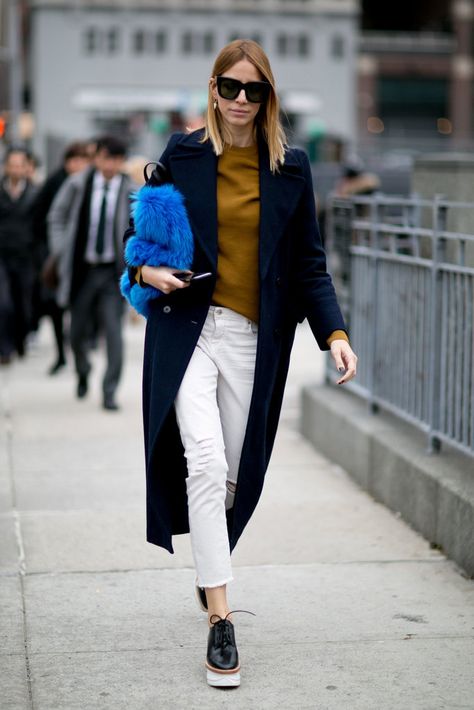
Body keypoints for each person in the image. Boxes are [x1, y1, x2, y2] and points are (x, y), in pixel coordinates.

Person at [133, 39, 357, 688]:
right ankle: (222, 620)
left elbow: (310, 264)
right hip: (188, 331)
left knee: (237, 477)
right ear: (212, 88)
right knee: (202, 460)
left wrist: (334, 333)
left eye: (251, 91)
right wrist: (147, 269)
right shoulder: (183, 154)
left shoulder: (292, 168)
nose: (238, 100)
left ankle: (210, 570)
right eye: (228, 88)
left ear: (268, 97)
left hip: (255, 342)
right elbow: (140, 244)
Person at [48, 136, 132, 410]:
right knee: (76, 332)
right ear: (97, 157)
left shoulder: (130, 190)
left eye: (116, 160)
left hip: (112, 274)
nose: (110, 164)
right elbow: (56, 216)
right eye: (106, 158)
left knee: (113, 333)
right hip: (82, 271)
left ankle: (109, 391)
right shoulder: (78, 184)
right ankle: (82, 371)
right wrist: (61, 249)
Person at [32, 141, 90, 375]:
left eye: (82, 160)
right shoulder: (55, 184)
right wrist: (54, 251)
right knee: (55, 306)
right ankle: (61, 353)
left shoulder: (91, 183)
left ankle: (79, 348)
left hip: (85, 260)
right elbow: (43, 218)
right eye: (73, 160)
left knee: (81, 309)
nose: (77, 165)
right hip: (57, 258)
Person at [0, 147, 38, 364]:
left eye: (19, 165)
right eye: (11, 165)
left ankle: (20, 339)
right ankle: (5, 349)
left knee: (23, 304)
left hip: (26, 257)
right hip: (2, 256)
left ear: (26, 168)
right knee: (3, 303)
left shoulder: (34, 193)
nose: (15, 169)